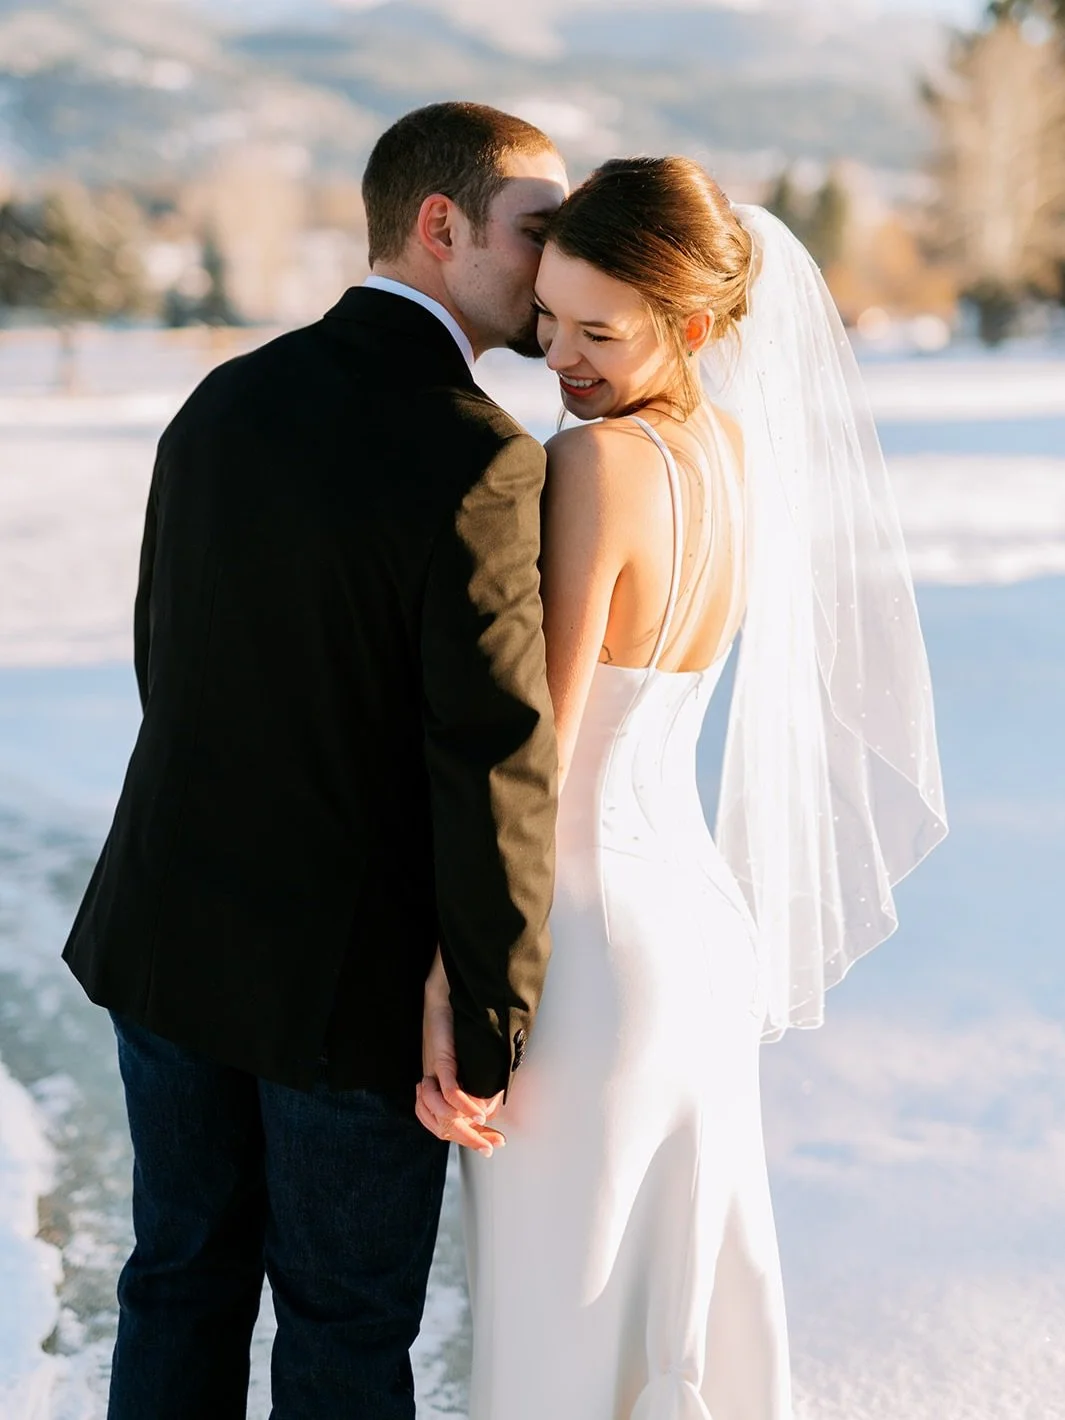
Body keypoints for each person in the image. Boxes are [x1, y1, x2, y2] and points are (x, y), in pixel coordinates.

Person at [417, 157, 948, 1418]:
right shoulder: (735, 450)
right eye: (547, 316)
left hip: (591, 946)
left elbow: (529, 741)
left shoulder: (597, 467)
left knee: (562, 1323)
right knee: (680, 1307)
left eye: (600, 330)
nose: (559, 356)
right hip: (700, 933)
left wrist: (455, 973)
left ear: (694, 325)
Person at [61, 102, 567, 1420]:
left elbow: (167, 666)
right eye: (537, 228)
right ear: (440, 224)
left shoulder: (224, 400)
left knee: (178, 1279)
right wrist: (493, 1023)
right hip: (348, 989)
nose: (556, 260)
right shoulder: (482, 460)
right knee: (342, 1328)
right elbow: (493, 762)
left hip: (168, 937)